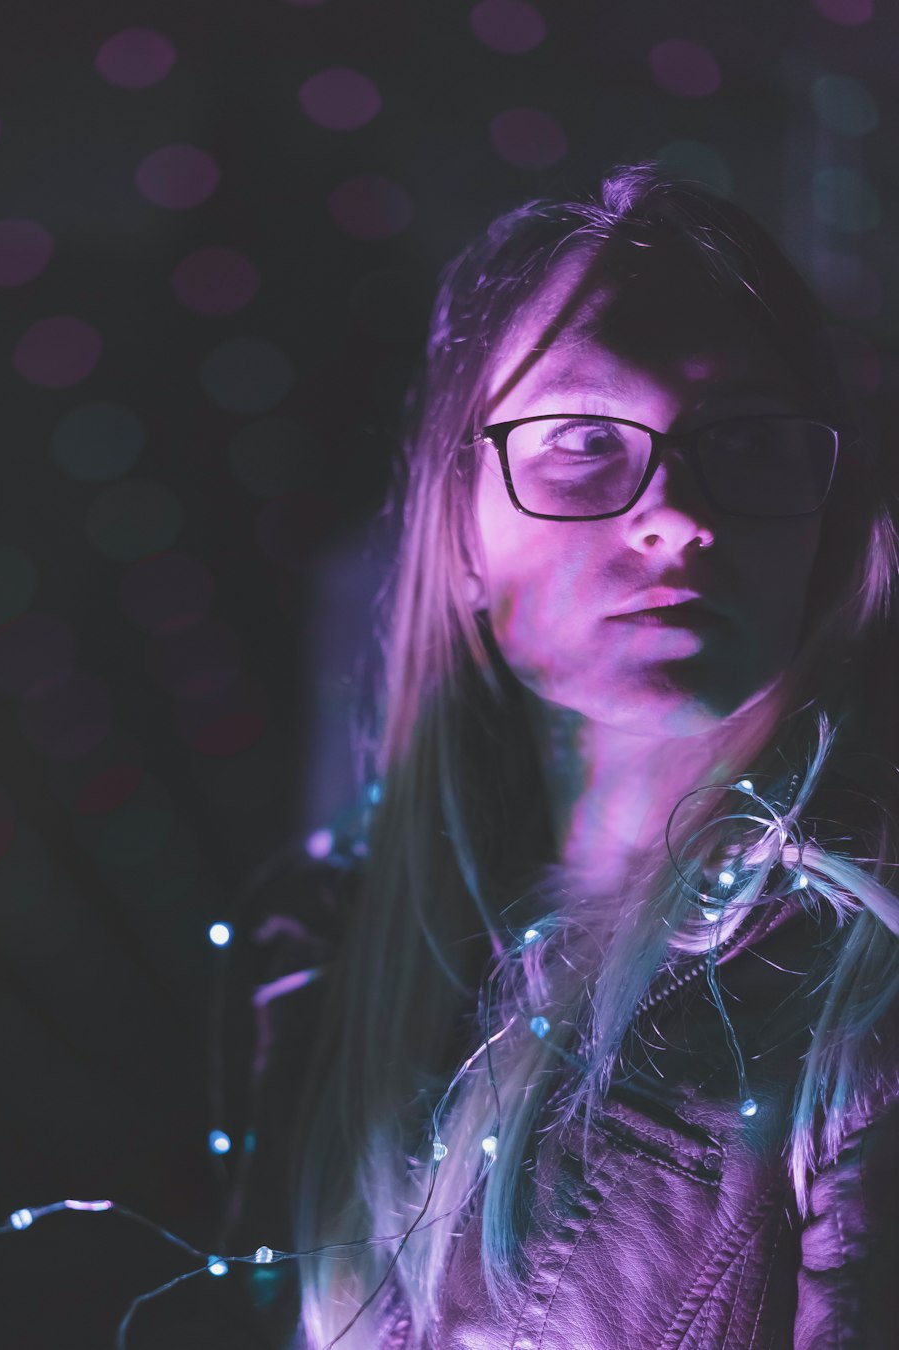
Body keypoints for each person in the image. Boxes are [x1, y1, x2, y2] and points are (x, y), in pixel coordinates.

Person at [220, 164, 899, 1349]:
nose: (679, 515)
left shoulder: (858, 993)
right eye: (584, 437)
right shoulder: (309, 947)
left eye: (745, 439)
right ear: (459, 523)